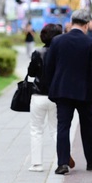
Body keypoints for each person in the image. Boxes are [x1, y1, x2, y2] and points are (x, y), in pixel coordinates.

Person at [44, 8, 92, 175]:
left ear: (71, 22)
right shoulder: (90, 43)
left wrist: (52, 87)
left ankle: (62, 163)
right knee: (87, 126)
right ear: (86, 25)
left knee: (63, 126)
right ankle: (91, 161)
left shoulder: (57, 41)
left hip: (62, 91)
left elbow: (49, 66)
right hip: (85, 93)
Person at [26, 23, 62, 172]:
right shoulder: (62, 53)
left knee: (36, 130)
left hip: (38, 95)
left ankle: (37, 164)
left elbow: (31, 73)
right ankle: (63, 159)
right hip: (57, 96)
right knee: (56, 130)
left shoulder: (37, 52)